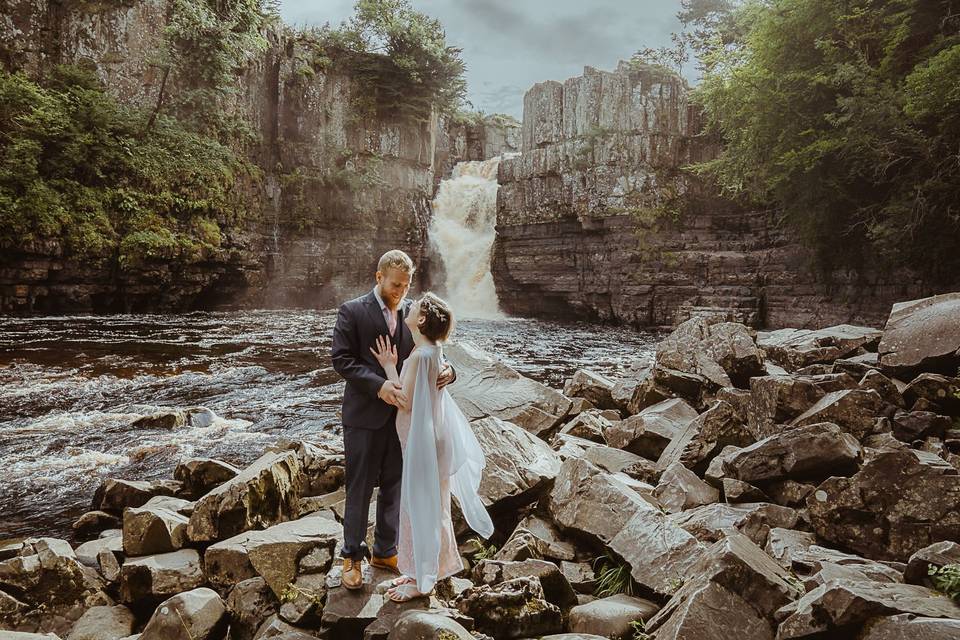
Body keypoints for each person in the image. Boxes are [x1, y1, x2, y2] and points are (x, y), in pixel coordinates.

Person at [331, 250, 455, 590]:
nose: (402, 291)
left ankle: (385, 551)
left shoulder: (415, 313)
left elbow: (435, 349)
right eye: (396, 285)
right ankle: (352, 556)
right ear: (379, 277)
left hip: (405, 419)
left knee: (395, 484)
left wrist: (450, 371)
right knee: (359, 487)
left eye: (407, 285)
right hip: (365, 414)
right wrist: (380, 385)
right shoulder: (352, 310)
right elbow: (341, 359)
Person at [369, 291, 494, 602]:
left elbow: (405, 400)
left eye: (416, 306)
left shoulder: (420, 356)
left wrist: (388, 366)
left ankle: (423, 582)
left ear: (422, 319)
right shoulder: (433, 351)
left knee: (419, 508)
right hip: (431, 438)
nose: (409, 305)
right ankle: (419, 570)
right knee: (430, 506)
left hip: (421, 442)